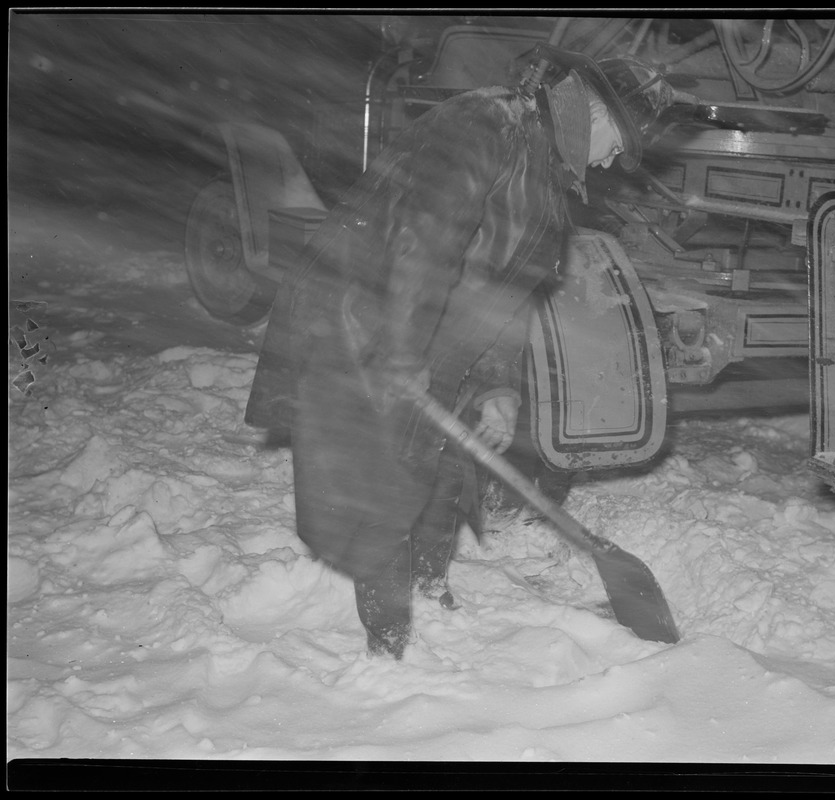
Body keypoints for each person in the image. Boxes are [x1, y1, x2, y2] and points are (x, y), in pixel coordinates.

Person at [244, 44, 675, 659]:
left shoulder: (546, 168)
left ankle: (428, 586)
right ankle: (386, 650)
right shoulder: (486, 125)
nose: (611, 162)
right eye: (618, 144)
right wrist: (399, 352)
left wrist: (499, 382)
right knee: (383, 484)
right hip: (367, 317)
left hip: (428, 327)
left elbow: (508, 291)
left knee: (443, 468)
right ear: (597, 113)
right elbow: (423, 242)